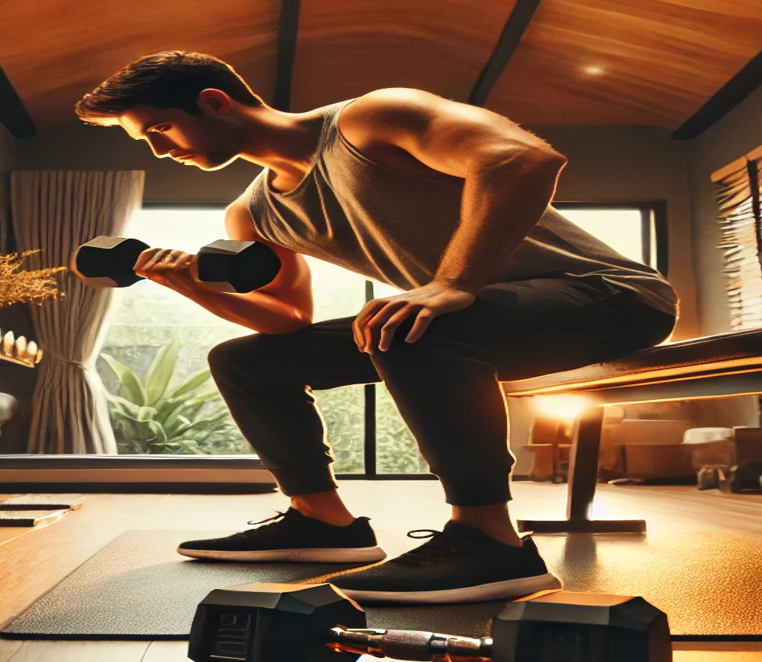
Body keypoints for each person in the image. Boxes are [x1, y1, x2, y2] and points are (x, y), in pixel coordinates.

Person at [74, 51, 678, 604]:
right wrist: (184, 282)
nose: (157, 149)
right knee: (246, 361)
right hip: (481, 319)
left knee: (415, 321)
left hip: (612, 297)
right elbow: (288, 320)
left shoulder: (371, 119)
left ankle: (491, 543)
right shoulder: (254, 212)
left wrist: (452, 283)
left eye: (158, 129)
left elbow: (521, 158)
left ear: (212, 101)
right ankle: (322, 523)